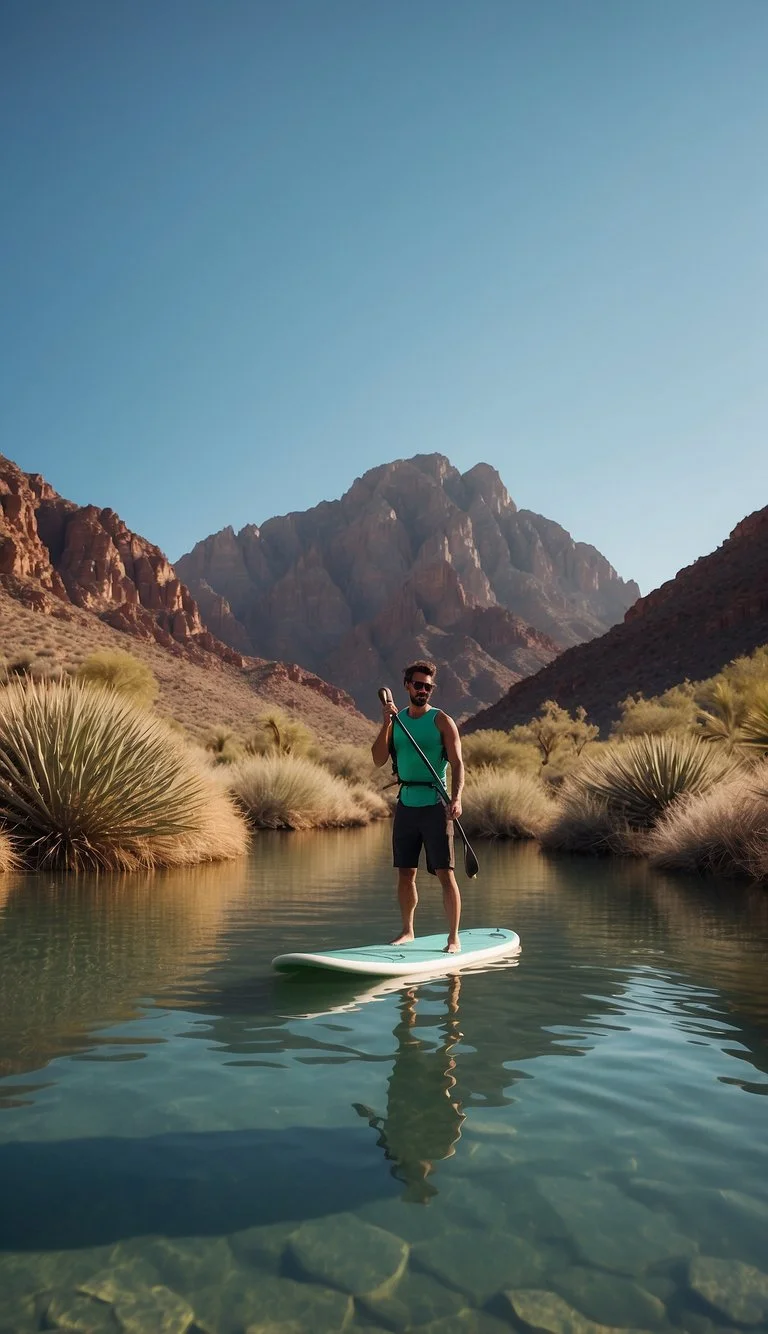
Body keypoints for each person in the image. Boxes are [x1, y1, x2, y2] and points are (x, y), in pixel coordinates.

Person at [371, 660, 464, 953]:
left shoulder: (441, 721)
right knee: (405, 873)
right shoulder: (395, 723)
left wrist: (457, 797)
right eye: (418, 684)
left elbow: (458, 763)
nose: (423, 690)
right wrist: (386, 722)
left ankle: (453, 938)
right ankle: (408, 930)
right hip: (407, 804)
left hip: (436, 804)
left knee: (444, 873)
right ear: (407, 686)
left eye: (428, 686)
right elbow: (377, 759)